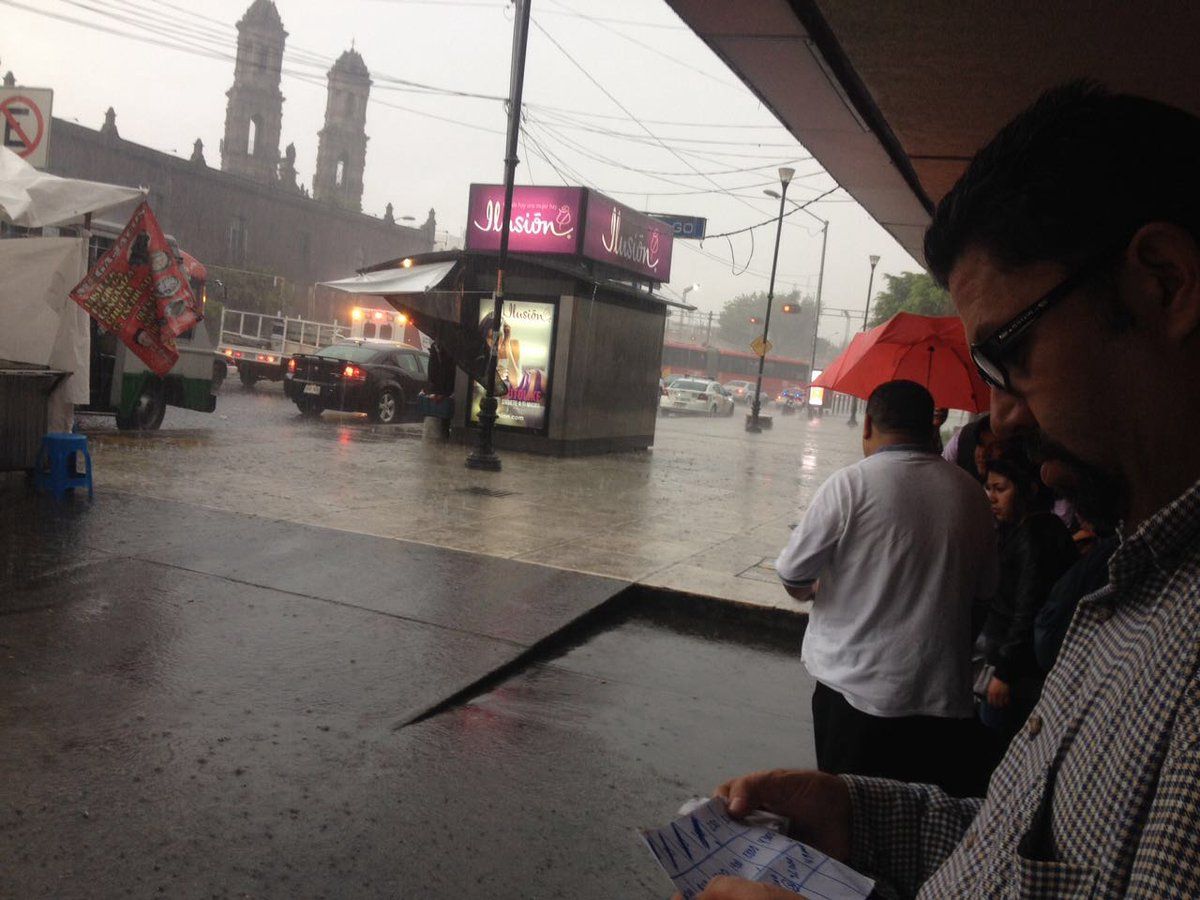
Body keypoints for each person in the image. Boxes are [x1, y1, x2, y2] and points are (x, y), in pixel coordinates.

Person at [693, 82, 1200, 898]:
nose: (1000, 411)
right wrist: (865, 817)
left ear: (1164, 283)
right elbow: (1022, 846)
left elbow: (796, 574)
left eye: (1009, 352)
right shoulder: (1117, 582)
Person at [775, 379, 997, 797]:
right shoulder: (971, 493)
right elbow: (983, 598)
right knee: (917, 822)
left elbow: (793, 575)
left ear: (868, 425)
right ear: (932, 427)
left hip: (853, 695)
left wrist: (816, 589)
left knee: (848, 816)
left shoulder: (849, 485)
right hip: (941, 701)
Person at [977, 452, 1077, 740]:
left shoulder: (1033, 537)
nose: (992, 498)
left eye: (1001, 489)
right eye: (989, 488)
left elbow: (1027, 608)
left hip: (1017, 669)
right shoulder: (1037, 528)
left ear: (1028, 489)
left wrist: (1004, 673)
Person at [942, 412, 993, 481]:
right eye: (980, 444)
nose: (982, 454)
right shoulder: (964, 436)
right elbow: (945, 470)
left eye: (992, 447)